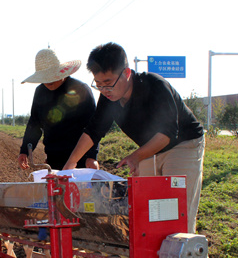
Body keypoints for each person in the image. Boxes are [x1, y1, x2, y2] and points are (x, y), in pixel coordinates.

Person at [63, 42, 205, 233]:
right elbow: (94, 130)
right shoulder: (109, 98)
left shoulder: (155, 86)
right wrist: (70, 164)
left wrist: (136, 156)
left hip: (182, 145)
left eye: (109, 83)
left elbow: (167, 134)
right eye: (99, 84)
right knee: (147, 211)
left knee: (177, 213)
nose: (105, 90)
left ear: (127, 73)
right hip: (149, 149)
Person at [18, 48, 99, 171]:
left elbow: (93, 127)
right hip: (53, 160)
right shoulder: (40, 92)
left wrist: (92, 156)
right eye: (45, 78)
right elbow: (35, 124)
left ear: (61, 72)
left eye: (51, 76)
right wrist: (24, 151)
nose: (48, 82)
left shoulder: (80, 90)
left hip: (80, 160)